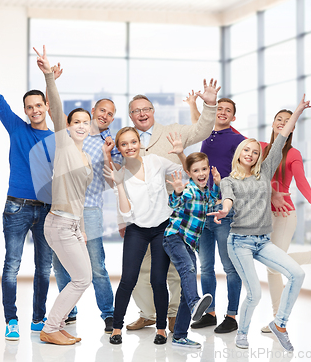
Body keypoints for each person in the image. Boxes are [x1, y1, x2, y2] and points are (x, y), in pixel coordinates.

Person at [0, 40, 53, 341]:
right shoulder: (17, 128)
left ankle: (38, 319)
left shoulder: (57, 138)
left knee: (44, 269)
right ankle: (11, 320)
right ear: (25, 111)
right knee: (12, 265)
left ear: (46, 108)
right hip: (16, 207)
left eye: (38, 105)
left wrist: (49, 76)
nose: (34, 110)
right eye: (29, 107)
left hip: (46, 211)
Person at [209, 95, 311, 352]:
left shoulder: (264, 172)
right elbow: (229, 200)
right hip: (240, 242)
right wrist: (224, 210)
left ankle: (280, 324)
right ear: (239, 153)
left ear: (259, 156)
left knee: (297, 274)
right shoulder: (228, 181)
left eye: (255, 152)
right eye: (247, 150)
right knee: (254, 294)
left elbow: (280, 141)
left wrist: (297, 112)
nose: (251, 154)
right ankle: (242, 333)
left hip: (263, 241)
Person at [124, 80, 220, 333]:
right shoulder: (127, 141)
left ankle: (173, 313)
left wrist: (209, 104)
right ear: (131, 116)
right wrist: (123, 220)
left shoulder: (172, 132)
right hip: (140, 217)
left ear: (153, 111)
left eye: (146, 109)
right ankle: (147, 313)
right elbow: (120, 184)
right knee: (139, 270)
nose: (142, 114)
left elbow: (202, 130)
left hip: (173, 213)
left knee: (175, 269)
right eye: (136, 111)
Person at [46, 65, 122, 333]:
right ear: (92, 111)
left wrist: (108, 155)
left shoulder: (109, 144)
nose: (106, 115)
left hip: (90, 210)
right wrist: (50, 80)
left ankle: (109, 313)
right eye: (102, 110)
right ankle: (69, 312)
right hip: (64, 211)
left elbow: (115, 181)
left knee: (96, 265)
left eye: (111, 114)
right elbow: (54, 111)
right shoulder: (69, 137)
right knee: (62, 266)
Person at [104, 129, 185, 345]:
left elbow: (185, 172)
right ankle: (117, 328)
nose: (130, 146)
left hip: (162, 228)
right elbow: (127, 214)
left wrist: (180, 153)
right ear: (119, 149)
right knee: (128, 279)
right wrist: (119, 185)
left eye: (133, 142)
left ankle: (160, 329)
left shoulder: (156, 162)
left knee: (158, 280)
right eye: (124, 144)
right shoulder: (121, 175)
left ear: (140, 143)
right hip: (137, 230)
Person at [259, 109, 311, 333]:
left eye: (287, 121)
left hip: (284, 214)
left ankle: (277, 320)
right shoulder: (262, 148)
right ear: (273, 123)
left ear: (293, 127)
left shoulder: (293, 154)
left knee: (273, 264)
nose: (282, 123)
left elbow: (301, 181)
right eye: (279, 119)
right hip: (264, 215)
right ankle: (277, 321)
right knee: (272, 266)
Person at [34, 45, 92, 345]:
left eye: (86, 122)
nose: (81, 125)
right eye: (76, 122)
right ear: (68, 127)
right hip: (57, 224)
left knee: (83, 278)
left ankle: (55, 325)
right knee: (82, 279)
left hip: (72, 226)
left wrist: (81, 230)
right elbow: (55, 108)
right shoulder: (65, 147)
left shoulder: (85, 159)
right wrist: (49, 77)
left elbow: (80, 199)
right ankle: (50, 327)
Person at [184, 94, 244, 333]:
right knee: (206, 267)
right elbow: (201, 121)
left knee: (230, 267)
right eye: (219, 109)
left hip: (223, 210)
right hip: (202, 209)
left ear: (233, 116)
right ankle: (209, 314)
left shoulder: (238, 140)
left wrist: (230, 198)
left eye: (227, 110)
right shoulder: (208, 132)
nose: (222, 112)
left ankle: (231, 316)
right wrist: (192, 105)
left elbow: (247, 168)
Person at [162, 152, 222, 348]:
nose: (201, 173)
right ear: (189, 173)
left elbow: (213, 202)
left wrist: (218, 185)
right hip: (175, 237)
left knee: (186, 289)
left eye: (204, 169)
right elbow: (174, 203)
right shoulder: (189, 190)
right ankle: (195, 302)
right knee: (188, 270)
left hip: (189, 243)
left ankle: (179, 335)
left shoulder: (205, 192)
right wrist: (178, 191)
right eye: (196, 171)